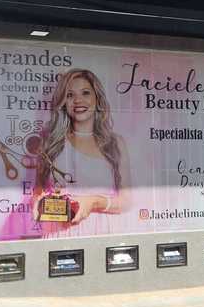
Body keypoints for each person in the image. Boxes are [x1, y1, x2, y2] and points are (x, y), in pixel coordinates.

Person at [33, 68, 131, 236]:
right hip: (59, 233)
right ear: (63, 102)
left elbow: (126, 201)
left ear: (97, 98)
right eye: (70, 95)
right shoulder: (50, 141)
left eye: (85, 93)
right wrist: (37, 202)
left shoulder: (115, 143)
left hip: (101, 233)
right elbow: (38, 190)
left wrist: (93, 202)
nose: (78, 100)